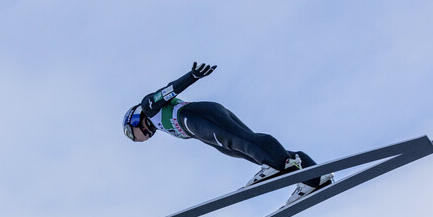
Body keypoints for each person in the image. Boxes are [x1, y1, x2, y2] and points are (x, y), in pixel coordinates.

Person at [123, 62, 333, 206]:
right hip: (200, 122)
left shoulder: (148, 107)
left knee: (238, 141)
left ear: (134, 120)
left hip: (196, 116)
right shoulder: (159, 124)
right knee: (244, 148)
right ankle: (314, 177)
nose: (137, 140)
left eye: (131, 135)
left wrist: (191, 77)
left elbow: (168, 91)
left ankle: (279, 164)